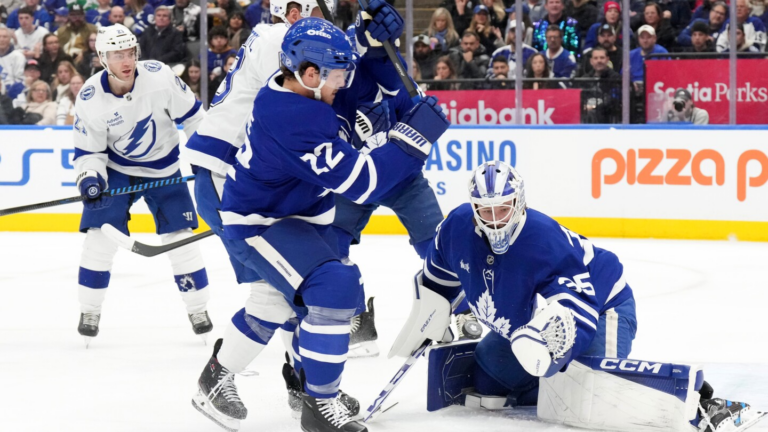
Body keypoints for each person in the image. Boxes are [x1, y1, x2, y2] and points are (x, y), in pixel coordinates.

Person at [189, 17, 449, 432]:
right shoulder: (293, 118)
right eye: (337, 73)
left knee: (279, 303)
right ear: (311, 73)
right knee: (334, 286)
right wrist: (413, 139)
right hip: (260, 224)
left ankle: (229, 381)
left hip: (293, 216)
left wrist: (369, 37)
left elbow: (361, 82)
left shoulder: (305, 88)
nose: (344, 82)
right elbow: (364, 183)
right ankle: (318, 402)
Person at [416, 159, 637, 410]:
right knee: (488, 379)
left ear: (519, 202)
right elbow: (437, 279)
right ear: (474, 207)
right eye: (486, 211)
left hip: (600, 304)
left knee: (592, 398)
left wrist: (550, 345)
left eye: (503, 209)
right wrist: (427, 317)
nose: (495, 221)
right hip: (546, 313)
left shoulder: (543, 241)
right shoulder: (455, 227)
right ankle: (549, 389)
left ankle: (565, 386)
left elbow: (578, 309)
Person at [72, 24, 212, 346]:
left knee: (181, 241)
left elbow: (195, 118)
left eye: (130, 52)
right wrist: (90, 177)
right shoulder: (90, 98)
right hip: (118, 170)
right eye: (117, 54)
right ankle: (90, 310)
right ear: (102, 58)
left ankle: (198, 309)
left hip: (164, 168)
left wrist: (206, 161)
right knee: (99, 238)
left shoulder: (159, 77)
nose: (126, 61)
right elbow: (89, 153)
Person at [578, 46, 620, 123]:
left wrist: (595, 107)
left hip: (607, 116)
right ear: (591, 61)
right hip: (586, 114)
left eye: (602, 58)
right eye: (596, 58)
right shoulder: (585, 79)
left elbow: (614, 100)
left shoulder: (615, 78)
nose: (599, 61)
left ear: (607, 60)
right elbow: (580, 98)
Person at [0, 25, 26, 99]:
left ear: (10, 39)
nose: (1, 39)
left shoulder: (18, 56)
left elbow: (21, 81)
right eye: (0, 36)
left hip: (12, 96)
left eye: (5, 37)